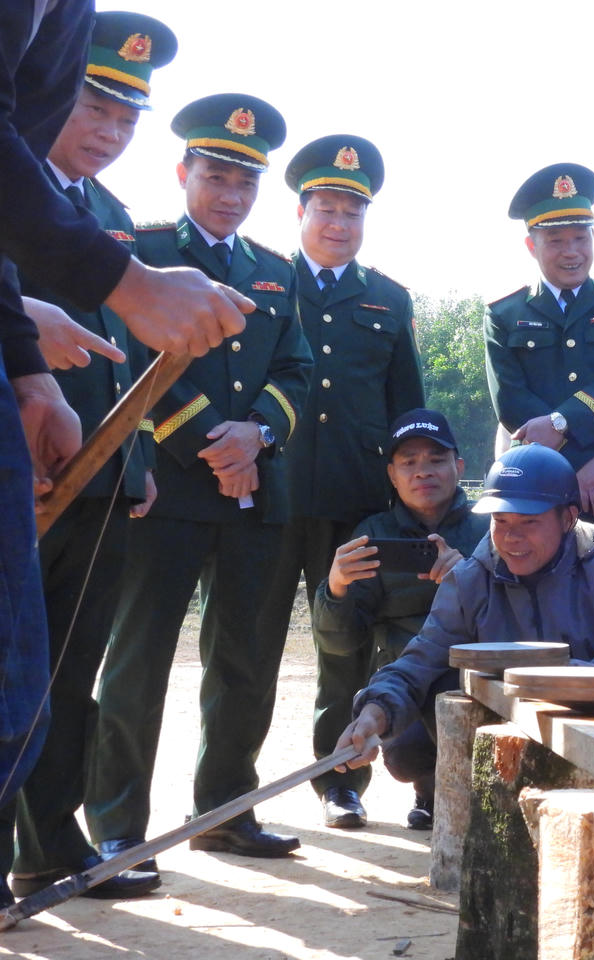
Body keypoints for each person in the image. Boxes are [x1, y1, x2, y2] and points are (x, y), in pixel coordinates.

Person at [0, 7, 250, 887]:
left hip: (96, 474)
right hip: (23, 475)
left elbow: (127, 368)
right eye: (91, 107)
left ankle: (49, 840)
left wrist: (134, 463)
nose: (106, 132)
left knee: (63, 673)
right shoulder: (22, 197)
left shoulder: (109, 216)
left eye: (124, 118)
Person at [85, 93, 312, 867]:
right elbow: (129, 353)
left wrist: (259, 433)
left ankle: (225, 810)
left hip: (257, 491)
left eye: (246, 183)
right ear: (184, 171)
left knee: (245, 660)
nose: (231, 195)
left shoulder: (275, 273)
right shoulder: (140, 250)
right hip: (169, 491)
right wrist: (211, 442)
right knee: (138, 660)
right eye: (216, 176)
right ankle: (116, 825)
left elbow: (297, 369)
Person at [255, 134, 425, 832]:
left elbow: (407, 408)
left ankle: (339, 780)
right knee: (247, 645)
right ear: (300, 212)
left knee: (344, 650)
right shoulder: (262, 283)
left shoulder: (388, 299)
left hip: (354, 505)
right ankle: (224, 793)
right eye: (326, 207)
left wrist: (407, 502)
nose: (339, 223)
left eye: (352, 212)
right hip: (265, 499)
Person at [332, 443, 594, 769]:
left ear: (568, 519)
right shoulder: (469, 578)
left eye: (529, 522)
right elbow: (418, 663)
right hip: (505, 728)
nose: (511, 538)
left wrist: (545, 683)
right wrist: (373, 715)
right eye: (501, 522)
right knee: (408, 746)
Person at [311, 409, 488, 830]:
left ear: (459, 468)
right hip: (407, 674)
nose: (422, 471)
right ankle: (428, 787)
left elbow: (523, 613)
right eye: (408, 462)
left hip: (477, 666)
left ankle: (459, 793)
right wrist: (335, 587)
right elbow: (341, 642)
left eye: (436, 460)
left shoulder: (491, 527)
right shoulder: (371, 533)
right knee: (405, 753)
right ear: (391, 474)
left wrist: (468, 578)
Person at [484, 162, 594, 571]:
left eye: (580, 238)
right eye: (556, 240)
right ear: (532, 245)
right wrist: (577, 460)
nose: (571, 252)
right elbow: (510, 402)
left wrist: (562, 422)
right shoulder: (504, 314)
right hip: (539, 497)